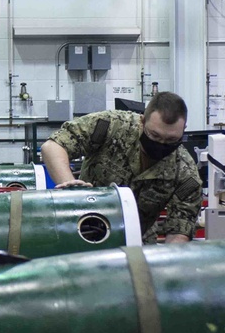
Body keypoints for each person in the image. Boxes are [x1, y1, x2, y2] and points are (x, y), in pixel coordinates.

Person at [41, 92, 201, 244]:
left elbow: (179, 231)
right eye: (155, 135)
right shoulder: (112, 126)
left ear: (183, 130)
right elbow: (52, 146)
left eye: (171, 139)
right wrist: (72, 189)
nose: (161, 144)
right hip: (82, 232)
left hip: (137, 242)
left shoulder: (185, 172)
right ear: (142, 121)